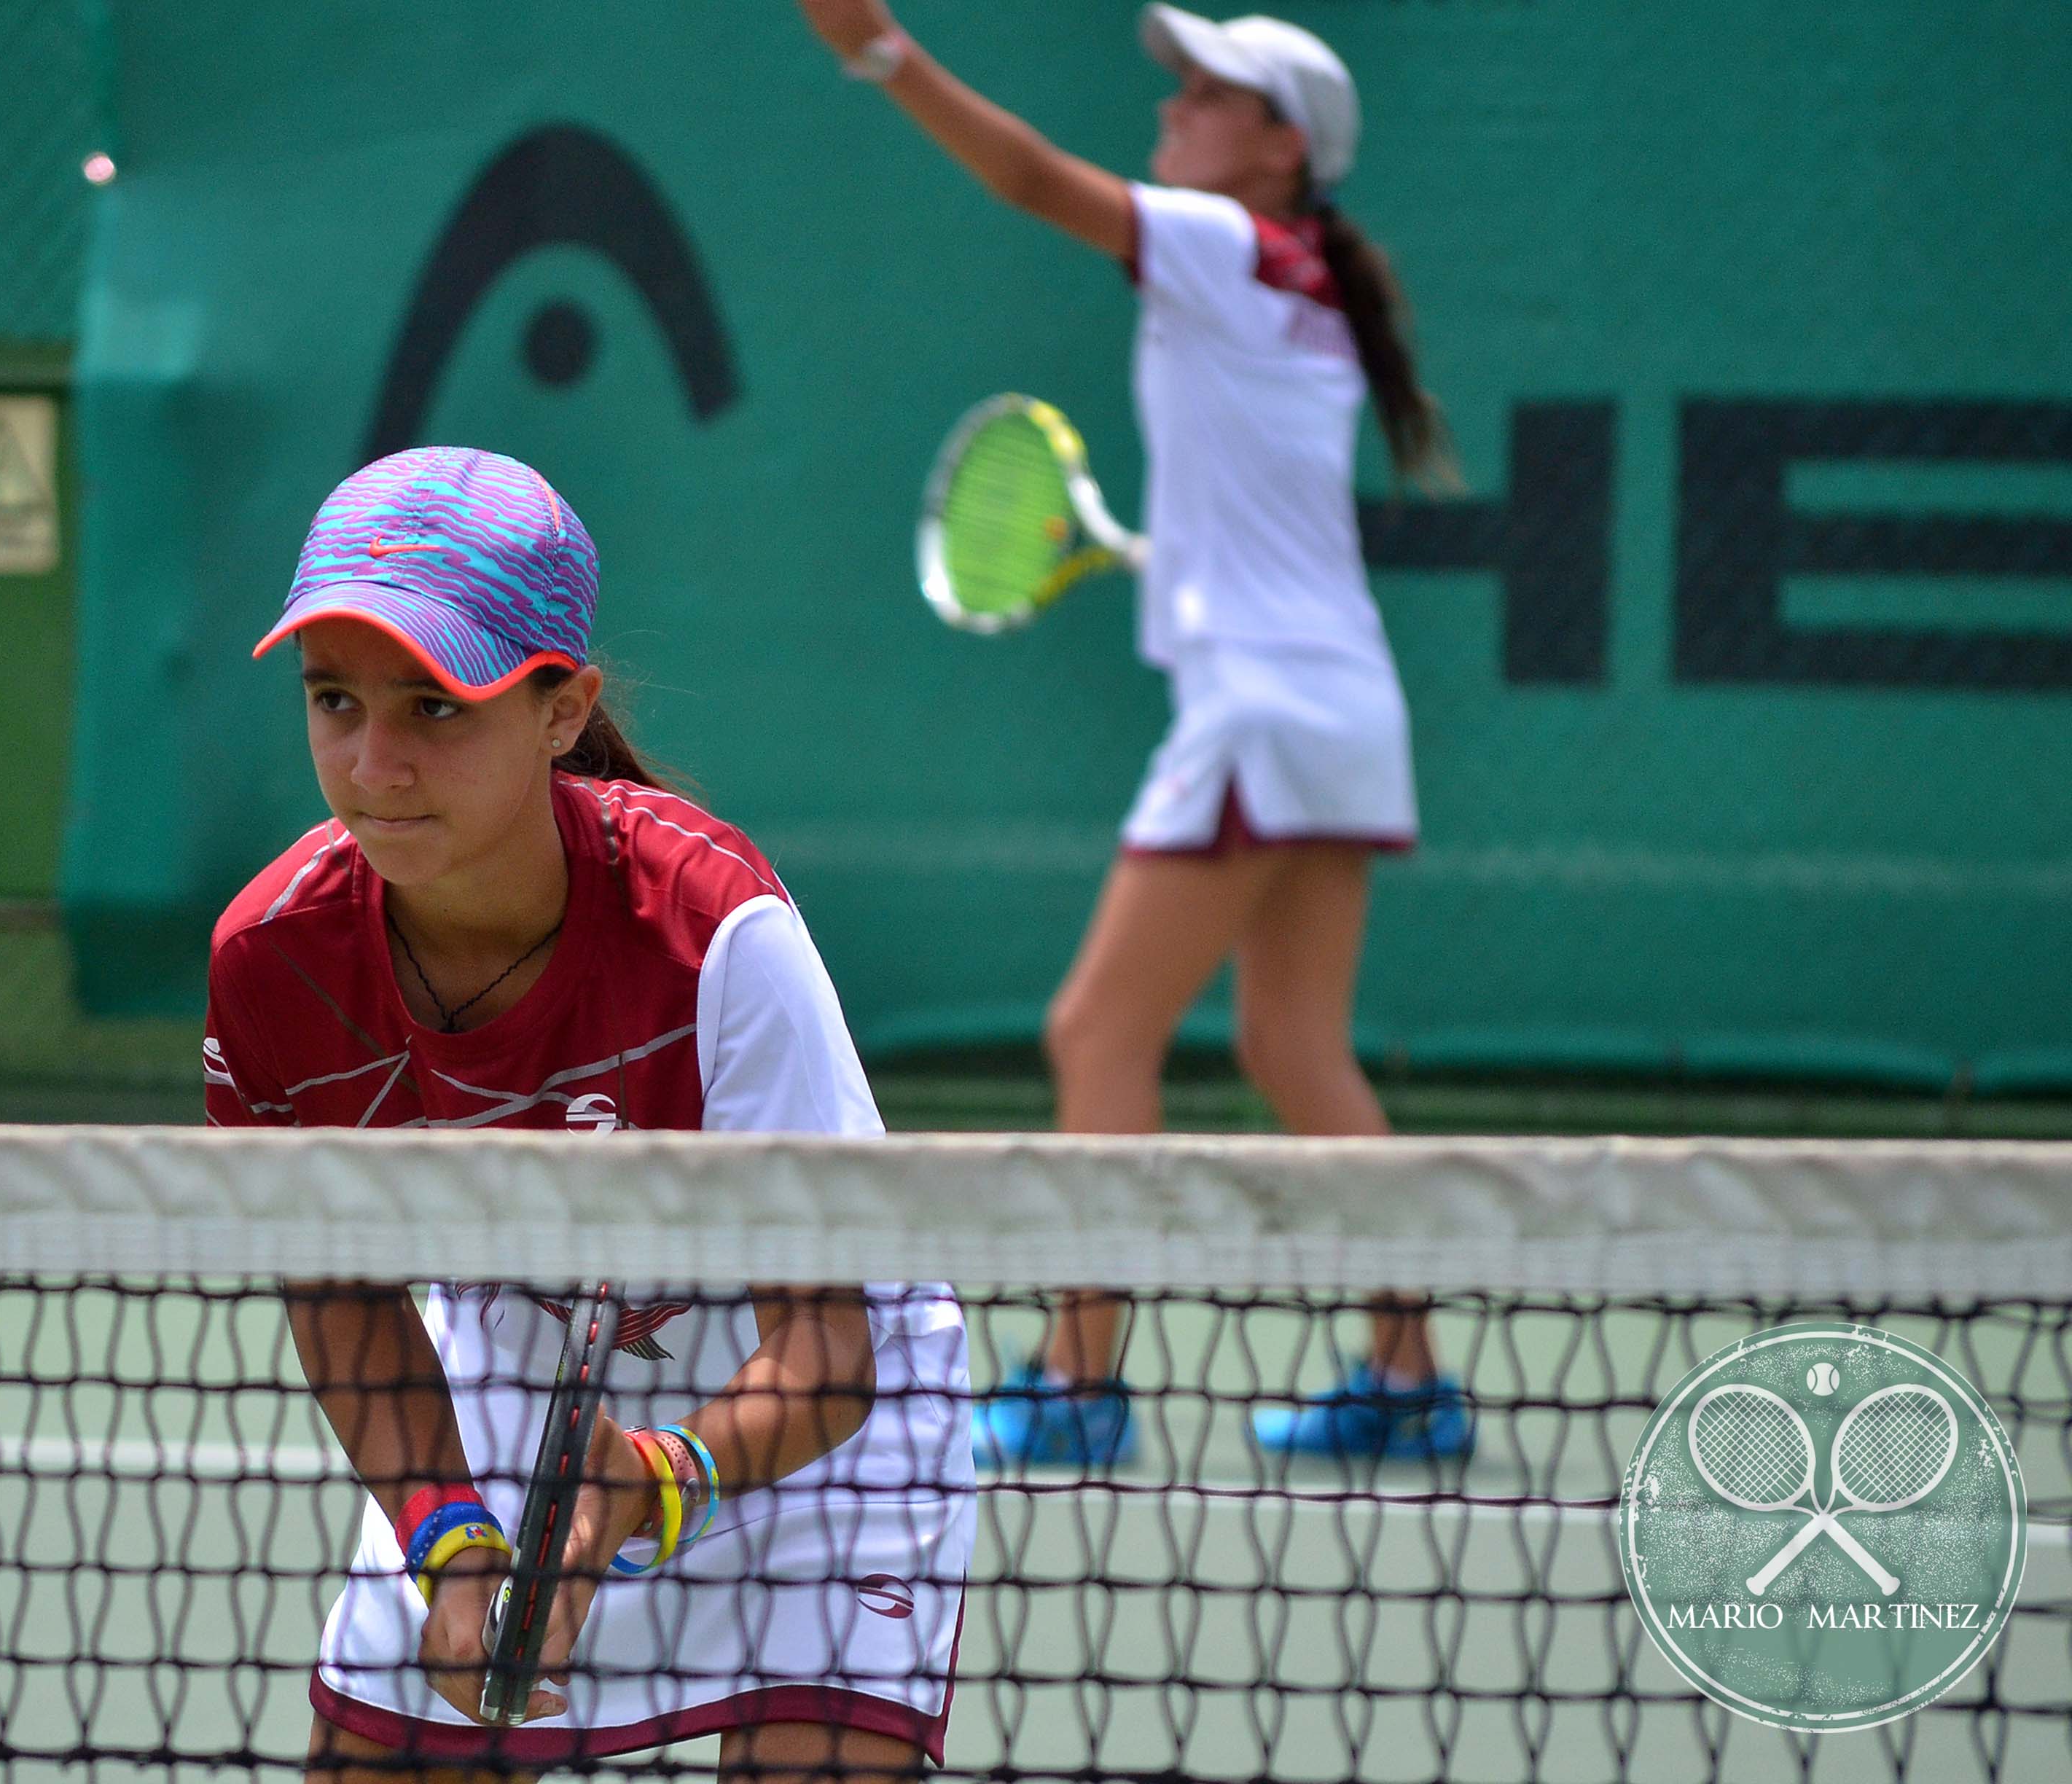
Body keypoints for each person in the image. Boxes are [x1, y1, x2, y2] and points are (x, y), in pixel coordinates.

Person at [205, 447, 974, 1781]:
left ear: (564, 711)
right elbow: (340, 1292)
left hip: (810, 1423)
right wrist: (448, 1536)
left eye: (436, 707)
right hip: (520, 1377)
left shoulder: (715, 932)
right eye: (336, 701)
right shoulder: (274, 965)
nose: (375, 764)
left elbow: (829, 1343)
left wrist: (658, 1477)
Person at [792, 4, 1471, 1466]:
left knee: (1096, 1029)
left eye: (1208, 93)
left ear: (1281, 149)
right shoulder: (1312, 293)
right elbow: (1266, 514)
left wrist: (882, 54)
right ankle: (1413, 1380)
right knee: (1296, 1049)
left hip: (1261, 712)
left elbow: (1032, 177)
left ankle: (1078, 1383)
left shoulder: (1231, 251)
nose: (1171, 105)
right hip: (1342, 705)